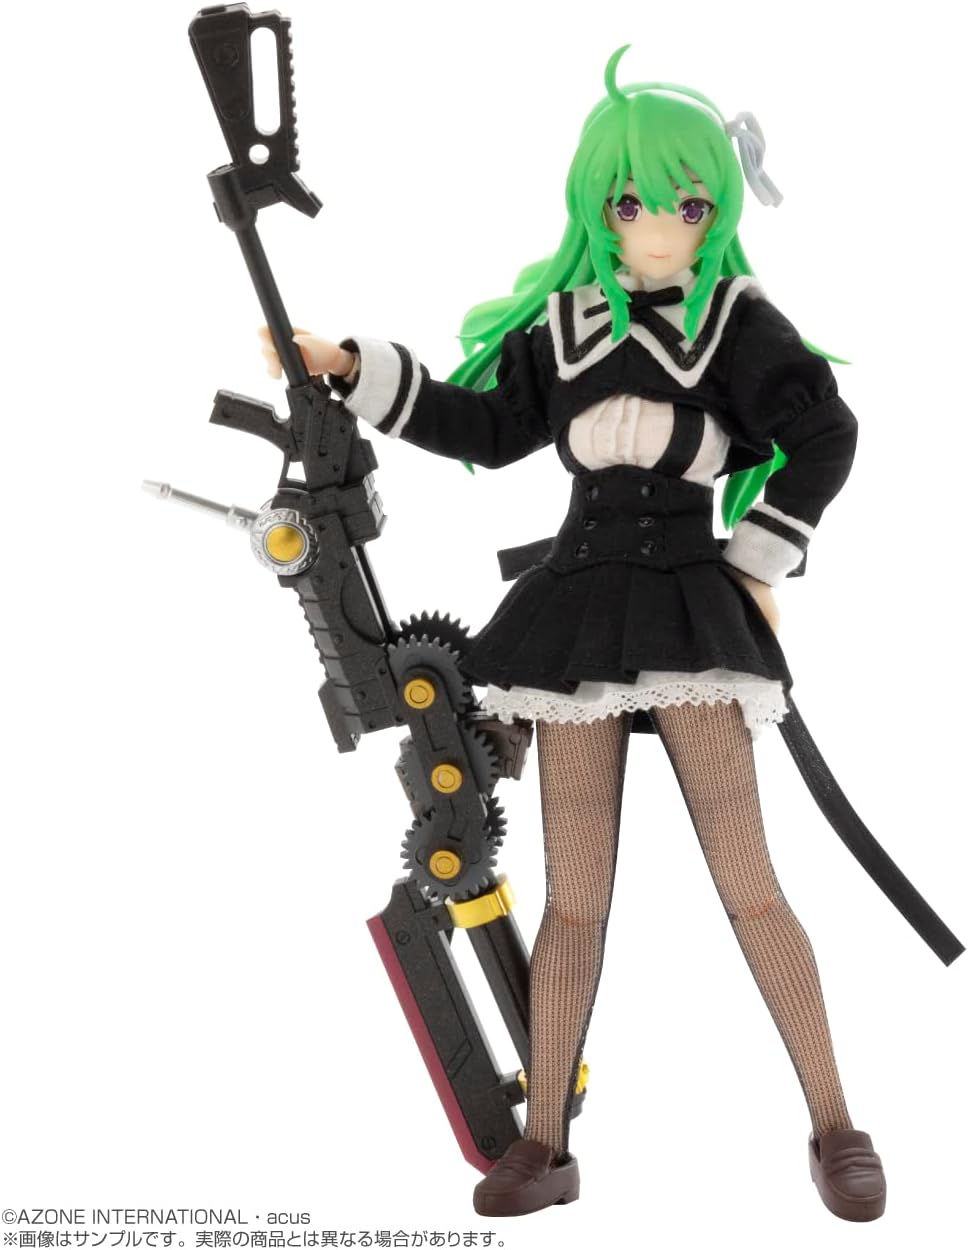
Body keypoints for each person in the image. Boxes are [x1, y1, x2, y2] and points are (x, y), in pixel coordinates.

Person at [259, 47, 886, 1222]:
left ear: (714, 209)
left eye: (685, 205)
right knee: (575, 894)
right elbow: (484, 426)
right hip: (577, 611)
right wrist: (351, 371)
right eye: (632, 202)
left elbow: (825, 433)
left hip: (691, 603)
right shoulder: (565, 325)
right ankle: (542, 1139)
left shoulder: (735, 323)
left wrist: (757, 559)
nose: (656, 227)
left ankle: (835, 1121)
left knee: (749, 882)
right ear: (599, 205)